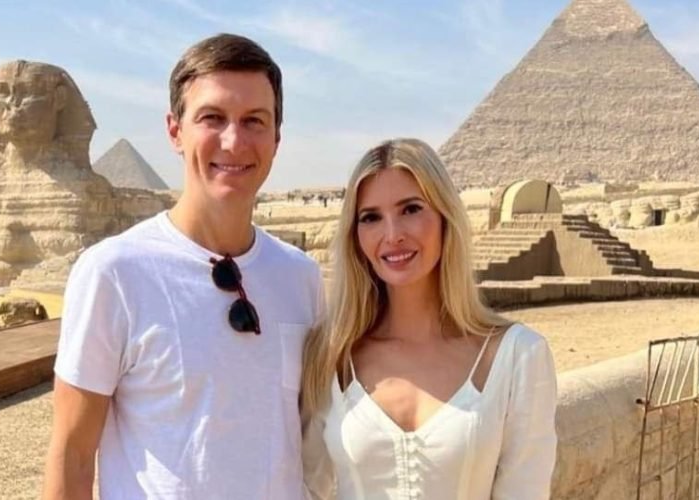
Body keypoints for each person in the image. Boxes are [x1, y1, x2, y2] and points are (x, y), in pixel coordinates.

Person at [42, 33, 323, 500]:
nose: (234, 141)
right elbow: (71, 455)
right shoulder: (113, 273)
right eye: (212, 117)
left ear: (277, 138)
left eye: (255, 120)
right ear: (175, 130)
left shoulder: (301, 277)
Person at [301, 138, 557, 499]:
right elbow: (308, 487)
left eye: (411, 209)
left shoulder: (518, 356)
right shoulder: (332, 357)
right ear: (355, 236)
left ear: (444, 216)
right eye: (371, 217)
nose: (393, 235)